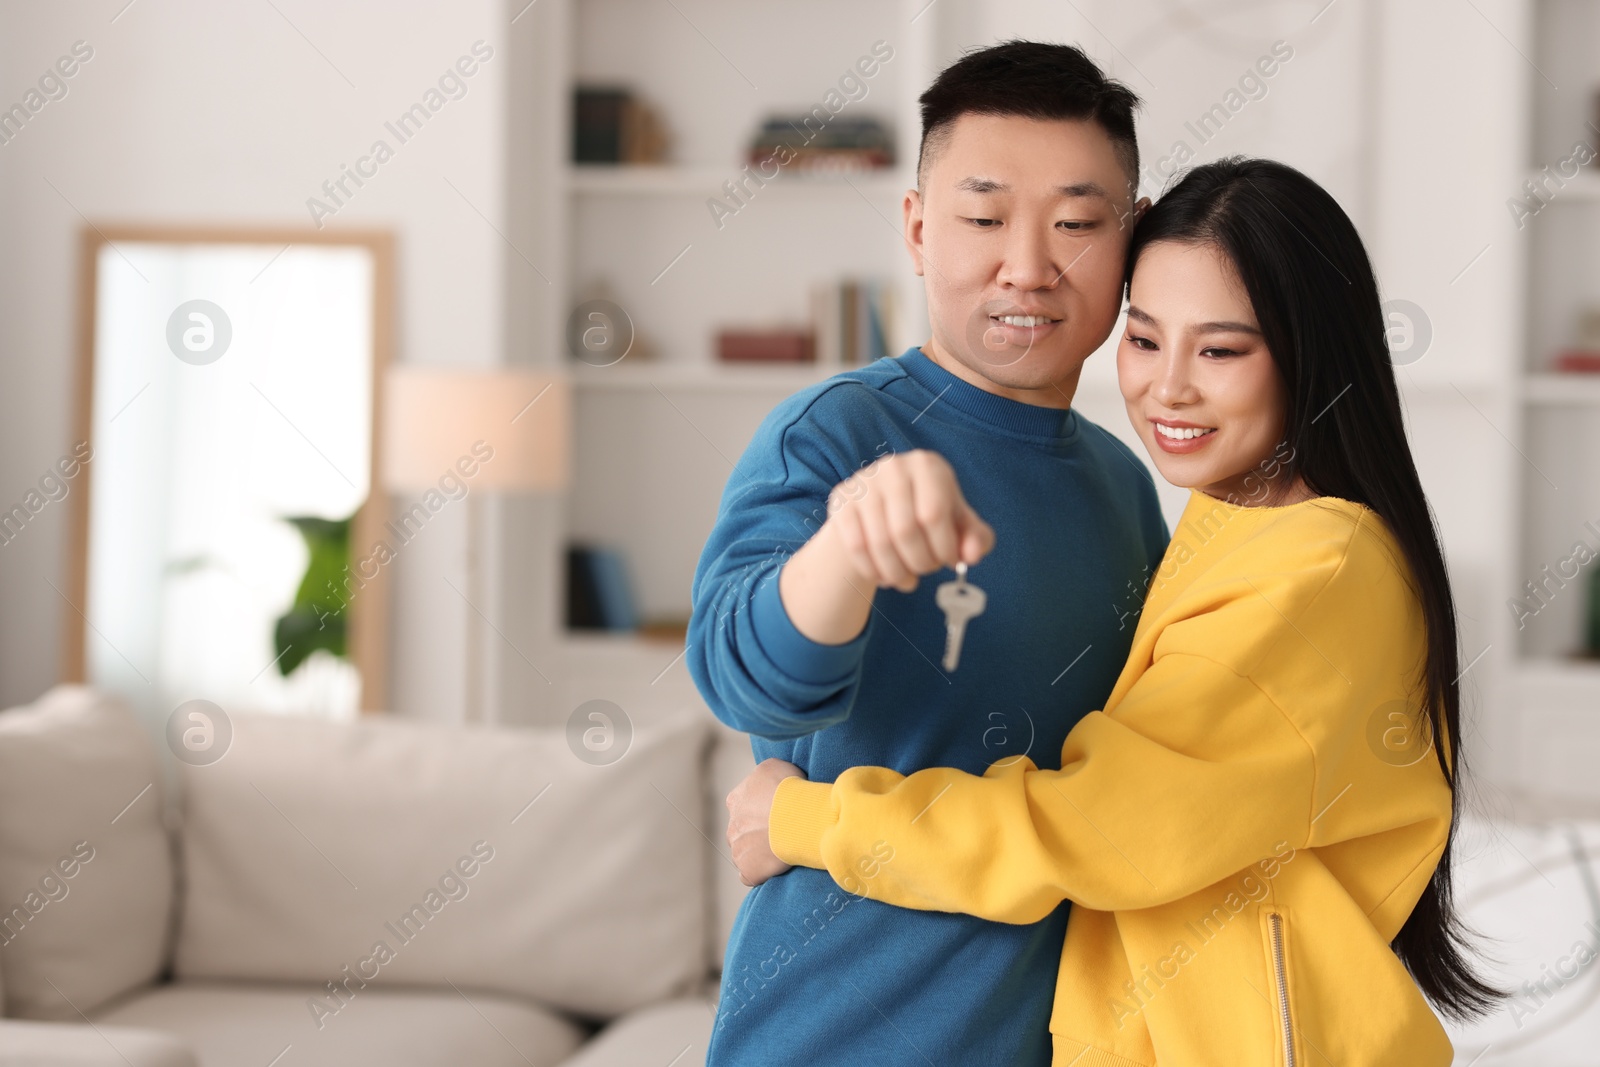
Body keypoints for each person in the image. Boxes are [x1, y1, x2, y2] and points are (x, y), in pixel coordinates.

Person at [725, 157, 1504, 1066]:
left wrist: (806, 820)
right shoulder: (1239, 519)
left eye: (1219, 350)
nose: (1167, 388)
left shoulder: (1314, 572)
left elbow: (1091, 827)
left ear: (1311, 353)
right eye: (1143, 338)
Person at [686, 40, 1170, 1067]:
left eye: (1078, 224)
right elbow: (745, 684)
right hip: (824, 1035)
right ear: (916, 228)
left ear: (1128, 246)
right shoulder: (834, 432)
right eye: (985, 218)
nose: (1028, 265)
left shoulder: (1127, 487)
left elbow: (1121, 787)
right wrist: (847, 548)